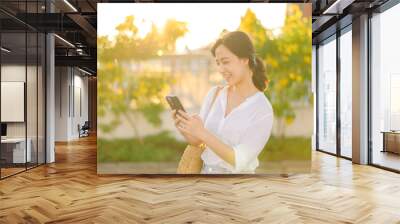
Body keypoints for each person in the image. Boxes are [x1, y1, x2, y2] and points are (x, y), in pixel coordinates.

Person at [171, 31, 273, 174]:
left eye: (225, 62)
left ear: (245, 59)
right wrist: (186, 128)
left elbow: (240, 161)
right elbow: (198, 142)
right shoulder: (215, 94)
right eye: (218, 63)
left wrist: (201, 131)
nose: (220, 69)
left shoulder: (262, 109)